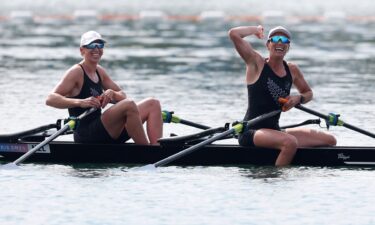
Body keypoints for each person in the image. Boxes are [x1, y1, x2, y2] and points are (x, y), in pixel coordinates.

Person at [228, 25, 337, 166]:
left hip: (274, 129)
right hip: (251, 131)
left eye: (284, 40)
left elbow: (308, 93)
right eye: (275, 39)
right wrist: (255, 29)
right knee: (290, 143)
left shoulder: (292, 69)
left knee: (330, 140)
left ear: (288, 47)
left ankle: (291, 159)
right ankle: (277, 176)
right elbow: (234, 34)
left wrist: (299, 98)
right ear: (268, 44)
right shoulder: (256, 63)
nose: (280, 42)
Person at [46, 30, 163, 145]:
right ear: (82, 50)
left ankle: (157, 148)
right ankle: (147, 152)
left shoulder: (99, 71)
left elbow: (122, 96)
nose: (96, 49)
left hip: (104, 131)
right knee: (129, 105)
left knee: (153, 103)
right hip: (86, 134)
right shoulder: (76, 72)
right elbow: (50, 99)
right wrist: (80, 102)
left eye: (100, 45)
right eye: (92, 45)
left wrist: (112, 93)